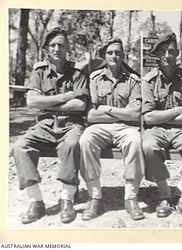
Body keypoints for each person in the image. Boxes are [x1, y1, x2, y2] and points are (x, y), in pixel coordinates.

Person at [12, 27, 89, 224]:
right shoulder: (39, 72)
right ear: (47, 49)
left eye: (61, 45)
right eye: (53, 45)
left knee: (72, 145)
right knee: (20, 146)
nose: (57, 49)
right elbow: (31, 102)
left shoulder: (77, 72)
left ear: (67, 48)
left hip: (72, 123)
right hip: (45, 123)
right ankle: (36, 201)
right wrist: (64, 97)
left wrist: (47, 100)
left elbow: (80, 105)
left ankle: (67, 199)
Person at [142, 33, 182, 218]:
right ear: (157, 56)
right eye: (162, 52)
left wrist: (162, 117)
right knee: (147, 145)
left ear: (177, 53)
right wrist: (179, 110)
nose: (167, 56)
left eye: (171, 51)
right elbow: (148, 118)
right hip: (157, 131)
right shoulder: (148, 81)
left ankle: (181, 192)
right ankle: (164, 194)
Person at [79, 37, 145, 221]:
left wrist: (106, 109)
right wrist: (123, 112)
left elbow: (135, 114)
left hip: (125, 129)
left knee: (135, 140)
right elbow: (91, 115)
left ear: (123, 55)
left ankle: (131, 198)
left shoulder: (133, 80)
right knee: (85, 140)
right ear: (104, 56)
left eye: (118, 52)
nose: (114, 56)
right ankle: (95, 198)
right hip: (99, 128)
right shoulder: (95, 78)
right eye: (110, 52)